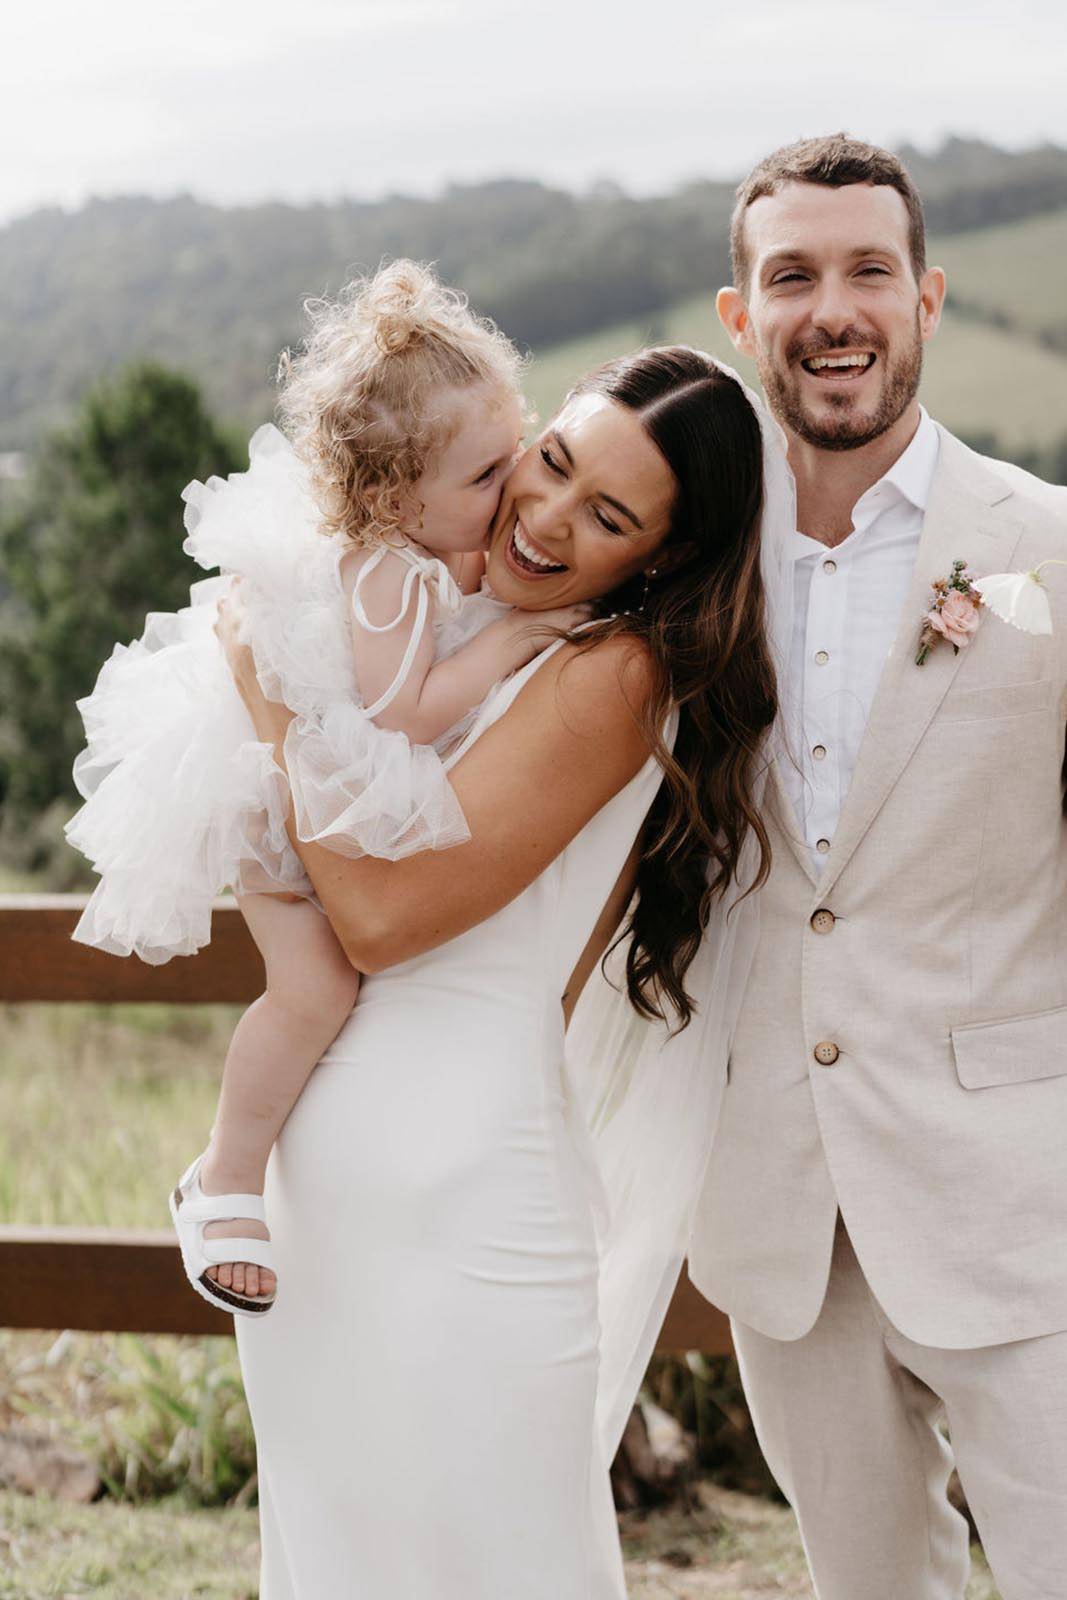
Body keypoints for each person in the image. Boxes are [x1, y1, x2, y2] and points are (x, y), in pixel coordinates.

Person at [214, 345, 790, 1597]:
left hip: (468, 1171)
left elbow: (379, 915)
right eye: (554, 463)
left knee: (500, 1547)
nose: (544, 515)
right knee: (344, 1548)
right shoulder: (467, 617)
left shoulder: (614, 673)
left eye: (607, 516)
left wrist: (276, 712)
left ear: (663, 559)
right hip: (342, 1158)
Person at [688, 133, 1067, 1599]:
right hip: (781, 1216)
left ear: (925, 296)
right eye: (788, 275)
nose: (828, 307)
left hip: (1015, 1198)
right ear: (739, 315)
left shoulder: (1045, 548)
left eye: (865, 270)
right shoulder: (683, 570)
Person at [66, 261, 583, 1316]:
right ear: (398, 496)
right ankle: (225, 1173)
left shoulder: (423, 546)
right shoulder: (396, 572)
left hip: (312, 787)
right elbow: (401, 715)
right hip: (277, 802)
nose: (511, 487)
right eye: (486, 476)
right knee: (315, 990)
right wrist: (519, 639)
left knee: (341, 987)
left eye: (512, 449)